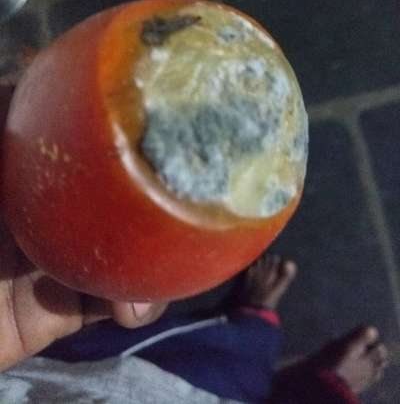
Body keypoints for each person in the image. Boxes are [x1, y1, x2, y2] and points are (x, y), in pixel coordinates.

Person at [0, 84, 389, 403]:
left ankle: (252, 327)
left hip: (68, 376)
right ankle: (302, 368)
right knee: (238, 360)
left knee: (195, 349)